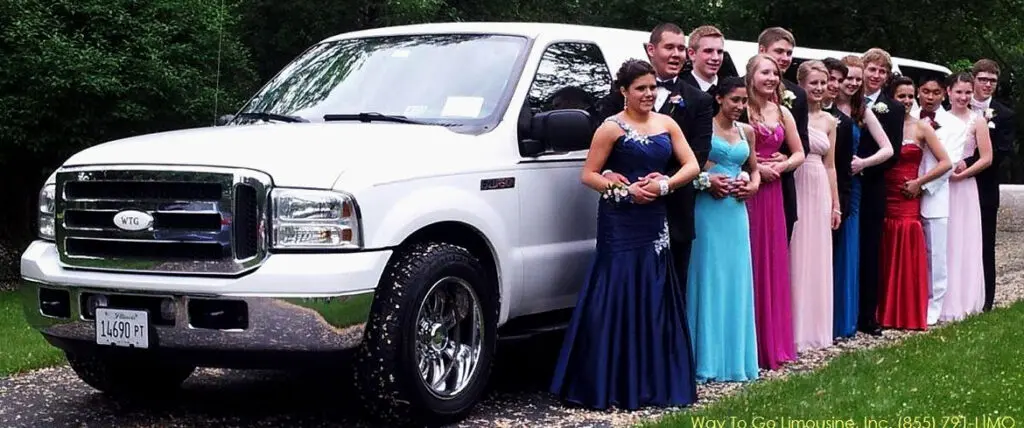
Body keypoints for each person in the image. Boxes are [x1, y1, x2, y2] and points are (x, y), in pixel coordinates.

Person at [550, 58, 700, 411]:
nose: (649, 94)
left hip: (655, 218)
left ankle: (652, 379)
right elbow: (589, 174)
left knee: (655, 289)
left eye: (652, 87)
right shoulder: (610, 127)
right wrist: (623, 190)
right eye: (641, 89)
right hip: (621, 221)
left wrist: (665, 184)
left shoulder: (667, 123)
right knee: (614, 288)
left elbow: (691, 165)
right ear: (624, 92)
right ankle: (607, 379)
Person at [597, 23, 714, 303]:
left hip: (675, 212)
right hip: (626, 212)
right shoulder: (617, 96)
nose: (677, 54)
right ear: (651, 49)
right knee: (624, 292)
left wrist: (661, 185)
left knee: (671, 295)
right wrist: (609, 173)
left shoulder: (699, 100)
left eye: (681, 48)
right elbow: (597, 141)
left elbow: (697, 155)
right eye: (669, 47)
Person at [686, 76, 760, 383]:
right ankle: (705, 358)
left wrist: (752, 186)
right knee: (708, 276)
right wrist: (706, 182)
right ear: (719, 98)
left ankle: (735, 358)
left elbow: (754, 168)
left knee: (735, 278)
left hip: (736, 211)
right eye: (735, 100)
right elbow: (690, 167)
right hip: (708, 209)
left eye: (744, 101)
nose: (740, 107)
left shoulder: (747, 131)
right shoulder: (705, 128)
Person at [742, 54, 804, 370]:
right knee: (750, 260)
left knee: (772, 259)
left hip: (775, 190)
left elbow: (799, 153)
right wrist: (754, 168)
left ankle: (773, 341)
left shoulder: (782, 113)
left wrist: (781, 165)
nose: (771, 78)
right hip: (748, 192)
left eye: (776, 74)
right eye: (765, 72)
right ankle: (748, 341)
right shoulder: (741, 108)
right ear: (751, 75)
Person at [876, 76, 952, 330]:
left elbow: (946, 163)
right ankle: (882, 310)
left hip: (907, 198)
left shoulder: (921, 127)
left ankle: (906, 311)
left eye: (910, 96)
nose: (907, 101)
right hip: (883, 195)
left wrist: (919, 182)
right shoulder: (881, 123)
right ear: (891, 98)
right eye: (902, 96)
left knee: (906, 246)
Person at [789, 60, 840, 351]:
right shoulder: (790, 115)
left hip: (819, 182)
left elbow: (831, 165)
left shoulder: (830, 121)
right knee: (796, 249)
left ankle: (816, 327)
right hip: (796, 180)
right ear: (801, 85)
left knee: (818, 253)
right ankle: (793, 325)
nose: (820, 88)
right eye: (814, 83)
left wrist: (835, 204)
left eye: (823, 83)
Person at [856, 48, 904, 336]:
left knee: (871, 250)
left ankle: (868, 314)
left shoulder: (893, 109)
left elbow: (894, 153)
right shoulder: (844, 100)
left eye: (881, 72)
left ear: (887, 78)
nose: (875, 76)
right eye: (871, 69)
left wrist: (864, 168)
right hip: (842, 185)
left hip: (873, 186)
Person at [940, 72, 993, 322]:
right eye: (958, 91)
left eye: (967, 92)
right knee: (944, 240)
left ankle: (965, 298)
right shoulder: (938, 119)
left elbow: (986, 158)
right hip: (941, 185)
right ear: (948, 92)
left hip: (964, 186)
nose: (963, 96)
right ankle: (942, 297)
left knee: (964, 239)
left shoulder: (977, 121)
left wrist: (964, 174)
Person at [964, 59, 1016, 312]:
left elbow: (1003, 153)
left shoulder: (1004, 115)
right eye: (983, 79)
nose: (987, 84)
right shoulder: (957, 106)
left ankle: (986, 300)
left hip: (984, 187)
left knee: (985, 243)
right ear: (973, 79)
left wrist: (968, 165)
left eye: (992, 81)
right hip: (953, 187)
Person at [912, 76, 959, 326]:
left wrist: (922, 186)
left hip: (934, 195)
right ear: (919, 92)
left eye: (936, 92)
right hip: (903, 194)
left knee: (936, 254)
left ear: (944, 94)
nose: (930, 97)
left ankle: (934, 304)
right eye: (926, 91)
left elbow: (949, 164)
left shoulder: (953, 125)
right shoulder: (907, 116)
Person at [756, 27, 810, 241]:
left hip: (781, 182)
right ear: (761, 50)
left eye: (789, 53)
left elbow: (803, 144)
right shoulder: (737, 88)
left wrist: (786, 160)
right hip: (745, 181)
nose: (785, 58)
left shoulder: (796, 94)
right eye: (779, 51)